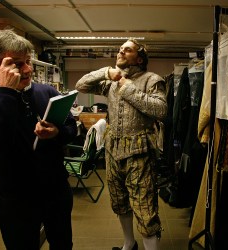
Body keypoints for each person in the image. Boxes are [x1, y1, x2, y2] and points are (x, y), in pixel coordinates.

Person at [0, 29, 77, 250]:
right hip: (16, 196)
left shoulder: (47, 92)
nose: (28, 69)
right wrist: (7, 92)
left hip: (55, 189)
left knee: (63, 244)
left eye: (28, 62)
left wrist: (57, 132)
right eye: (18, 64)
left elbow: (73, 128)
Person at [75, 39, 167, 250]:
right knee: (119, 202)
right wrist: (107, 72)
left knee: (144, 208)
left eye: (128, 49)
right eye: (120, 49)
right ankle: (129, 243)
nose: (121, 52)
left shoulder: (152, 80)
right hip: (113, 150)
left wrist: (127, 88)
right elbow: (81, 85)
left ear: (140, 58)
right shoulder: (112, 81)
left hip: (140, 153)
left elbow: (161, 111)